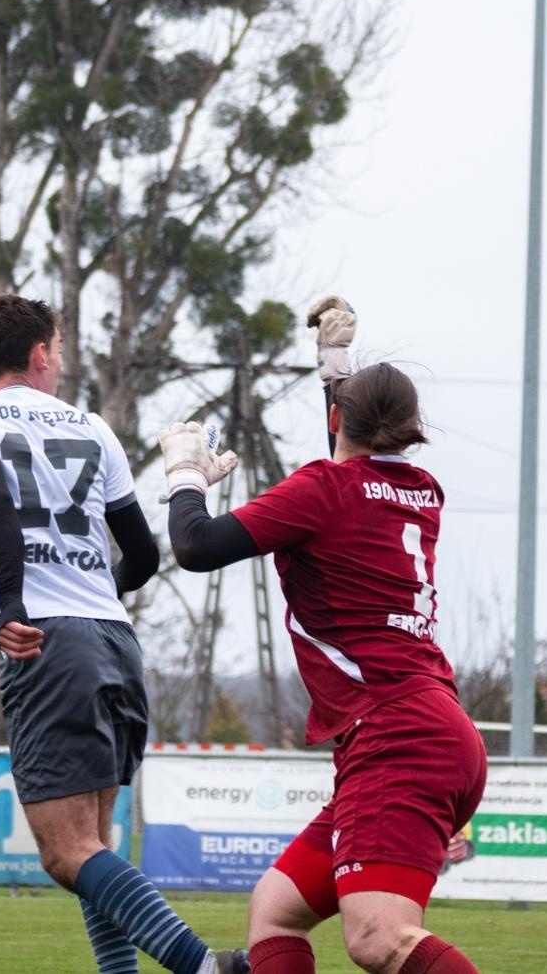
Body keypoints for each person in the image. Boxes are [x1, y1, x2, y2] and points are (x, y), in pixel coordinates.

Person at [159, 296, 487, 974]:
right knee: (275, 909)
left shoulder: (325, 491)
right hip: (433, 726)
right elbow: (350, 466)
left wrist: (186, 472)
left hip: (395, 734)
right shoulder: (422, 489)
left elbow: (192, 544)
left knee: (378, 937)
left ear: (341, 418)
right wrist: (335, 369)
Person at [0, 294, 247, 974]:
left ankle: (202, 966)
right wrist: (92, 591)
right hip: (112, 639)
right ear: (41, 353)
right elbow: (141, 553)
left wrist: (14, 603)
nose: (62, 359)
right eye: (61, 348)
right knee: (94, 842)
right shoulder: (94, 429)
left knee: (64, 852)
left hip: (46, 643)